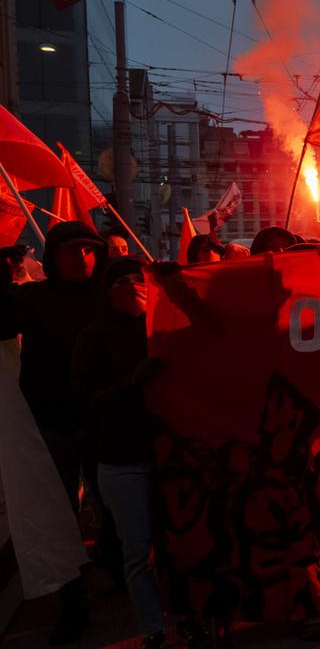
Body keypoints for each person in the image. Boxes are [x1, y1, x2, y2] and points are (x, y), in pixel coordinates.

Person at [72, 257, 212, 649]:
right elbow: (86, 399)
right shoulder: (93, 337)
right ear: (106, 289)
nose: (130, 286)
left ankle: (188, 620)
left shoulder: (165, 327)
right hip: (122, 459)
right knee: (137, 551)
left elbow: (211, 327)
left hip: (173, 455)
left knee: (179, 545)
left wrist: (177, 285)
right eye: (120, 281)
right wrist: (132, 383)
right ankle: (152, 628)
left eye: (138, 279)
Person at [0, 221, 111, 643]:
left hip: (104, 422)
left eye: (89, 250)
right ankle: (73, 601)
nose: (82, 258)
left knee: (115, 507)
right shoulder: (33, 298)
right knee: (60, 516)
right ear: (53, 256)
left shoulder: (111, 294)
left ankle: (115, 562)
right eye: (71, 251)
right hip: (52, 423)